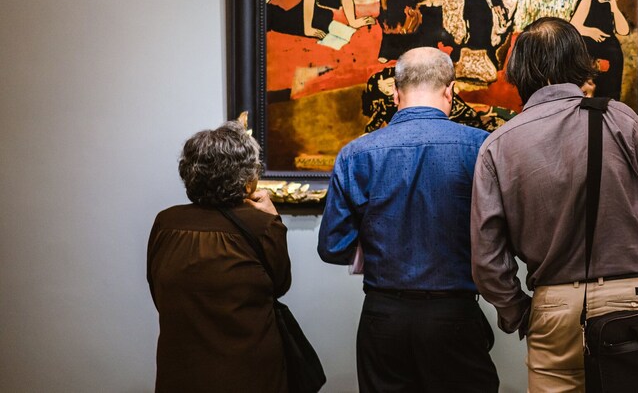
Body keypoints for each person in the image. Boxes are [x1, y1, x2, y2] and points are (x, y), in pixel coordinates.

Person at [470, 17, 638, 392]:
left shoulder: (498, 145)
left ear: (519, 70)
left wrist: (519, 312)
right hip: (637, 300)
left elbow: (487, 259)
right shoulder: (620, 119)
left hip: (555, 309)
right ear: (578, 61)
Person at [318, 47, 499, 393]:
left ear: (396, 93)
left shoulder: (356, 153)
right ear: (450, 91)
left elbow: (332, 247)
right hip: (454, 314)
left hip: (383, 317)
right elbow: (502, 235)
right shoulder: (482, 147)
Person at [147, 121, 291, 392]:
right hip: (249, 373)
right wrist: (275, 219)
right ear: (246, 179)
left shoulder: (166, 222)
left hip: (181, 370)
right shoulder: (263, 226)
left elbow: (158, 291)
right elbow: (281, 286)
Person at [570, 0, 630, 99]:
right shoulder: (587, 2)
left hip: (611, 53)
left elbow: (624, 31)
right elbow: (573, 26)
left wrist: (614, 7)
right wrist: (591, 32)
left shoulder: (612, 5)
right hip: (589, 53)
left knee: (610, 89)